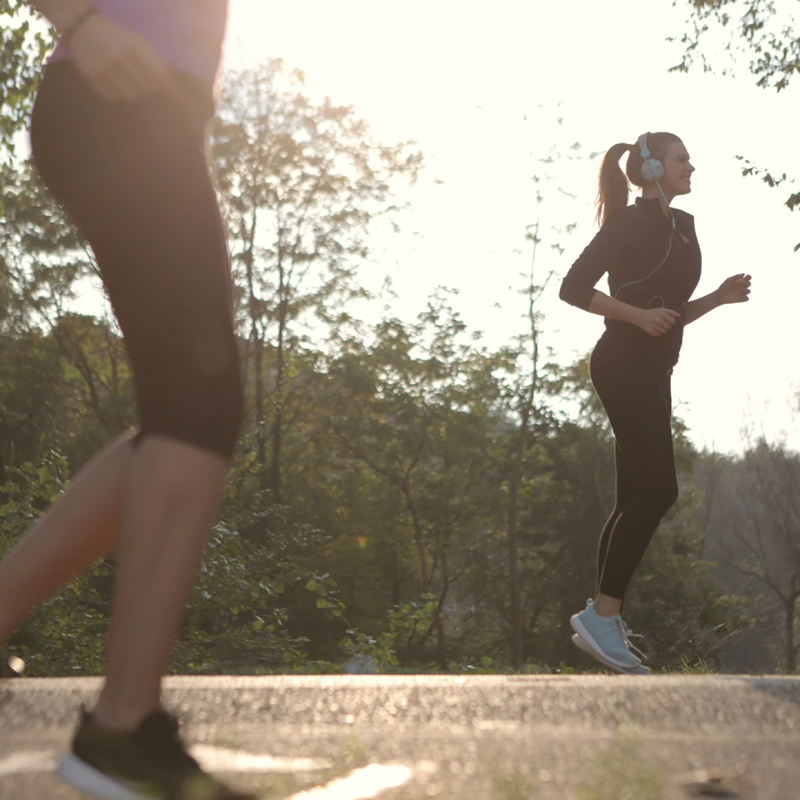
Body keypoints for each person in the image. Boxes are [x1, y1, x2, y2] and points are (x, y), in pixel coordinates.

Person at [1, 1, 253, 797]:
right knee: (199, 409)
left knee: (182, 415)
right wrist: (82, 19)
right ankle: (119, 733)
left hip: (147, 115)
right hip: (114, 100)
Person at [559, 132, 751, 675]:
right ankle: (602, 615)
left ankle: (603, 620)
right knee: (660, 490)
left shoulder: (684, 227)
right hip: (621, 363)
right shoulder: (625, 224)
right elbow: (573, 288)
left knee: (633, 497)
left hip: (653, 369)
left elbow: (668, 311)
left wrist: (716, 298)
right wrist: (636, 317)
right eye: (681, 159)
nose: (692, 166)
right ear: (651, 167)